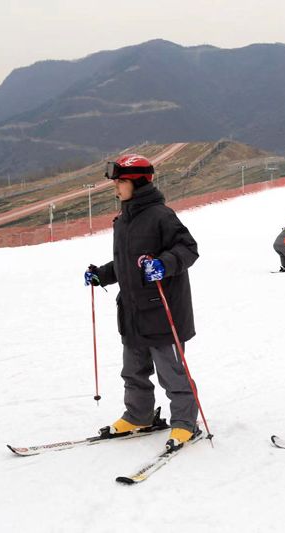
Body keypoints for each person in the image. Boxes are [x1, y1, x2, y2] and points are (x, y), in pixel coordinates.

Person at [85, 154, 200, 451]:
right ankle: (139, 416)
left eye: (120, 181)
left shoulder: (161, 216)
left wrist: (165, 263)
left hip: (163, 311)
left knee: (172, 373)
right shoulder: (123, 221)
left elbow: (188, 249)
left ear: (138, 183)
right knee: (133, 371)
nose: (115, 187)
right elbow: (126, 264)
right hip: (133, 312)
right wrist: (102, 275)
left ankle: (186, 424)